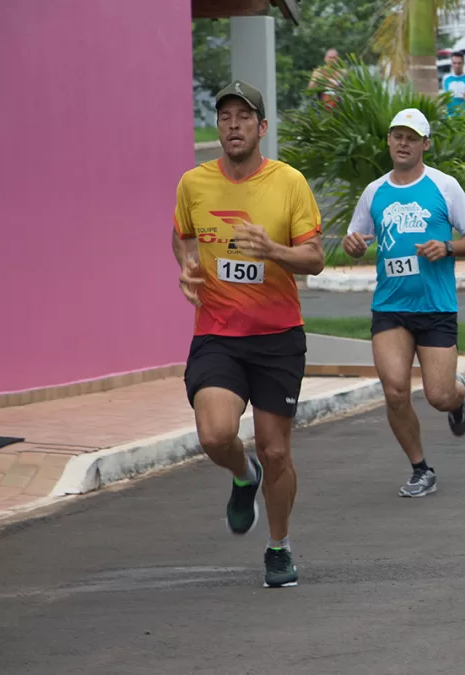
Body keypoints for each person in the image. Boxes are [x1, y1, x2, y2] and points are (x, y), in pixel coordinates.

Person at [172, 80, 325, 588]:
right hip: (217, 333)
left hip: (278, 336)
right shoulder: (194, 184)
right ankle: (244, 475)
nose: (233, 125)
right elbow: (181, 235)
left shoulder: (288, 183)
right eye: (225, 117)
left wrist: (274, 251)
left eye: (244, 117)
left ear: (262, 128)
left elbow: (317, 258)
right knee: (215, 434)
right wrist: (187, 266)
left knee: (276, 449)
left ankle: (278, 546)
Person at [342, 108, 465, 498]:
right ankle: (421, 468)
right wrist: (353, 245)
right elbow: (356, 239)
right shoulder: (374, 192)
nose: (403, 143)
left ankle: (459, 396)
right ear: (388, 141)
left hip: (436, 306)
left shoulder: (444, 186)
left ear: (425, 144)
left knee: (438, 396)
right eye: (397, 136)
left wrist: (448, 246)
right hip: (390, 307)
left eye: (411, 137)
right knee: (395, 392)